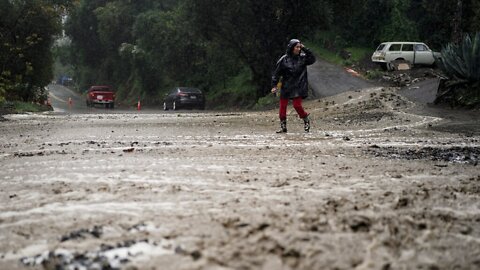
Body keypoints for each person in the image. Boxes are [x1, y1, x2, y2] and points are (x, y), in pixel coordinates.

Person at [271, 39, 316, 133]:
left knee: (297, 105)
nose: (298, 49)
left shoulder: (303, 58)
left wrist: (305, 49)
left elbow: (313, 59)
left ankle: (305, 118)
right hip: (286, 85)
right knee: (283, 107)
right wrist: (274, 85)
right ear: (292, 48)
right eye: (297, 47)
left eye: (300, 47)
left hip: (299, 85)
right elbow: (276, 73)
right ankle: (283, 126)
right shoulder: (284, 59)